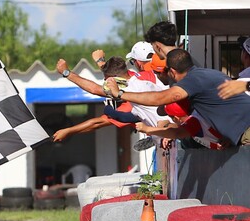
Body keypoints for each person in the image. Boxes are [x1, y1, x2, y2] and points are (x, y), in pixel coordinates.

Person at [105, 48, 250, 146]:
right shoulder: (209, 73)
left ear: (173, 72)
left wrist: (120, 94)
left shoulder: (193, 81)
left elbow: (159, 98)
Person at [135, 99, 231, 150]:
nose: (171, 119)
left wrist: (147, 129)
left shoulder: (194, 121)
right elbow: (177, 128)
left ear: (176, 118)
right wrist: (168, 135)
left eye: (171, 117)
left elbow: (177, 133)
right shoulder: (193, 116)